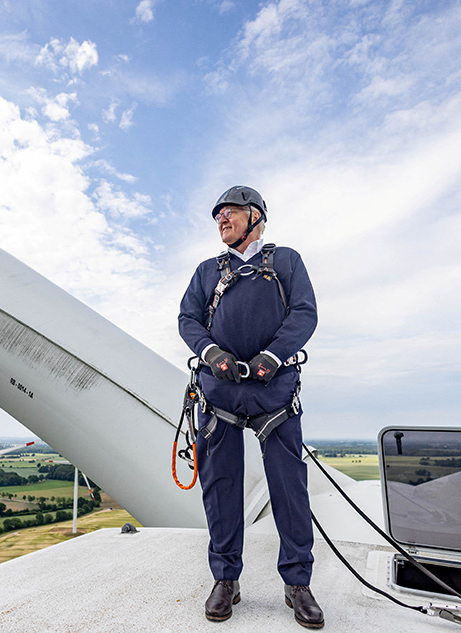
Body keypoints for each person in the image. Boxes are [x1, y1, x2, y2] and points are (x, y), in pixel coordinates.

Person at [178, 185, 323, 628]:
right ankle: (226, 579)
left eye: (231, 212)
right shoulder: (207, 271)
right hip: (219, 393)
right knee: (221, 489)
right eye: (218, 215)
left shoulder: (285, 262)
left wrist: (274, 356)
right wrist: (210, 354)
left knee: (289, 488)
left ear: (256, 216)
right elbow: (187, 318)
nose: (222, 219)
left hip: (273, 391)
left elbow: (304, 312)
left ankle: (297, 583)